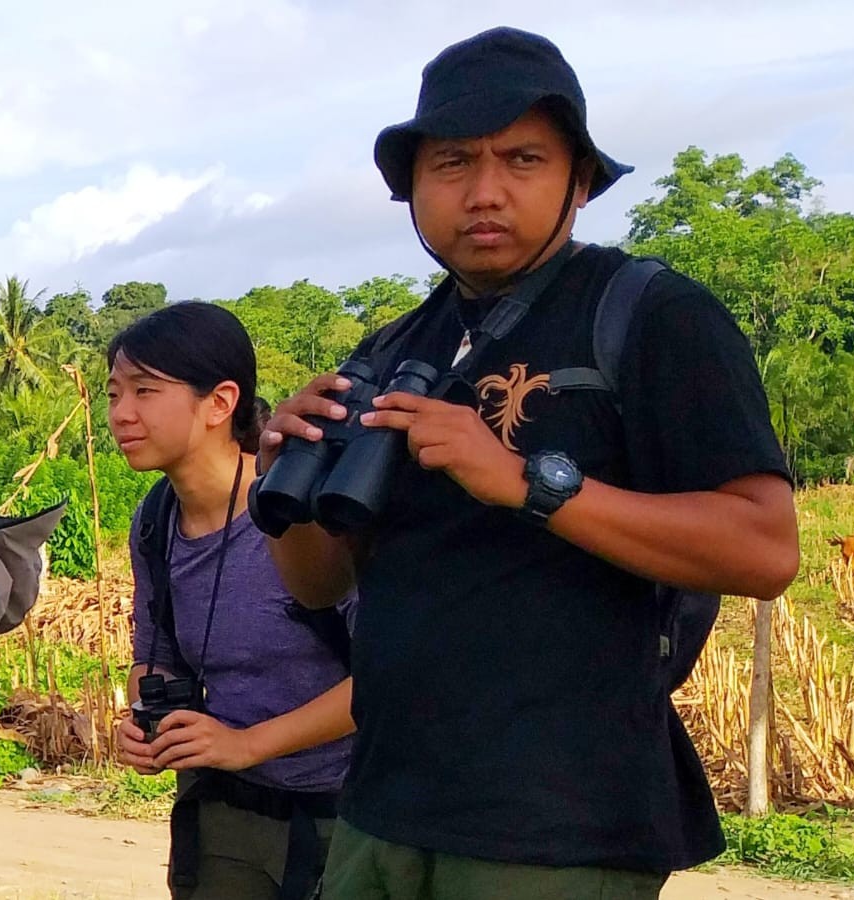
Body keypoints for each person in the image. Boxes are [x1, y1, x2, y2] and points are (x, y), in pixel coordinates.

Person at [259, 28, 800, 899]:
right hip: (383, 809)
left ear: (578, 181)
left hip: (556, 828)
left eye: (522, 159)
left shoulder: (653, 315)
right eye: (453, 163)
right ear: (412, 189)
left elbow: (765, 550)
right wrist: (280, 474)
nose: (484, 191)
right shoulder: (396, 346)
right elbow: (323, 585)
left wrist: (525, 482)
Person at [107, 303, 356, 900]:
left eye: (145, 391)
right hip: (225, 818)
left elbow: (387, 674)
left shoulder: (305, 507)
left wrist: (246, 744)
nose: (120, 414)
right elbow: (156, 653)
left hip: (343, 819)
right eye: (113, 393)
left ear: (220, 402)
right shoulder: (154, 521)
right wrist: (148, 721)